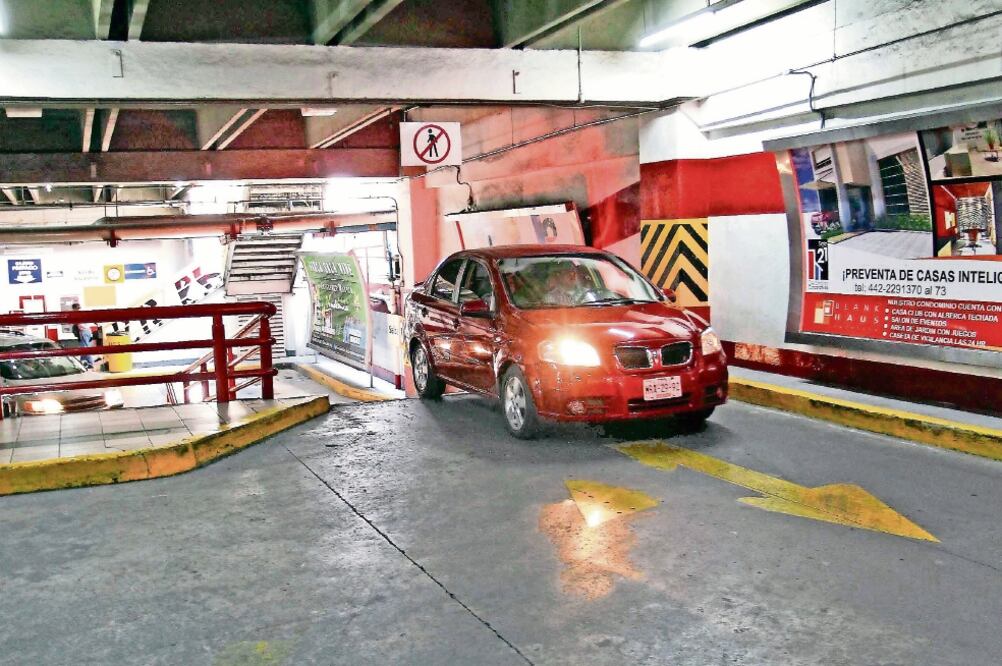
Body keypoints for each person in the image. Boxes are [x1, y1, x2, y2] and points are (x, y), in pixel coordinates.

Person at [70, 303, 94, 369]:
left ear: (75, 308)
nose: (72, 310)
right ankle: (81, 362)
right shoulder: (83, 313)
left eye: (73, 309)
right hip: (88, 331)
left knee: (85, 348)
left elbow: (77, 324)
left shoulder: (78, 314)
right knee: (83, 348)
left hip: (84, 332)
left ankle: (90, 363)